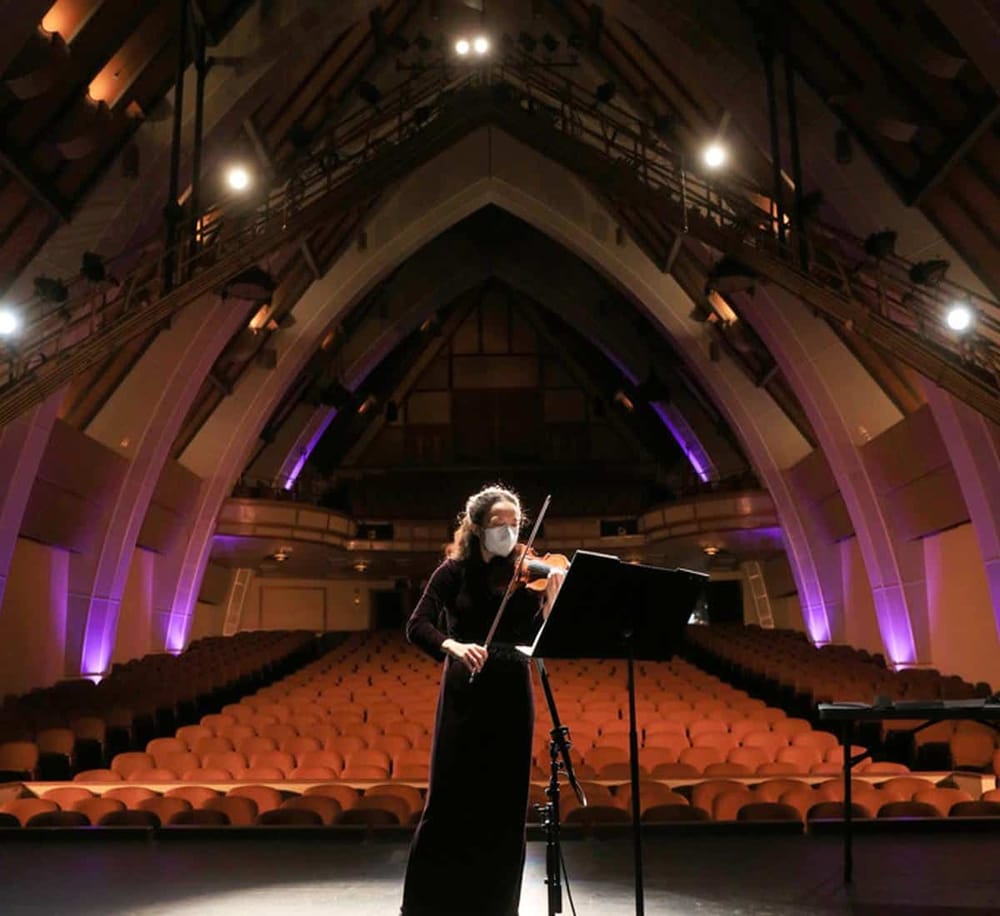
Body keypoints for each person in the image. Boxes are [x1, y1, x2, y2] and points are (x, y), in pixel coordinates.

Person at [400, 484, 564, 916]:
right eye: (497, 523)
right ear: (476, 526)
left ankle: (497, 907)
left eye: (515, 523)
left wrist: (551, 607)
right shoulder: (452, 572)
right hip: (466, 689)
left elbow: (539, 637)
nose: (508, 531)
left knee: (506, 804)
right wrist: (452, 645)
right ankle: (427, 907)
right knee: (449, 800)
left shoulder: (529, 573)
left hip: (512, 689)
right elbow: (417, 625)